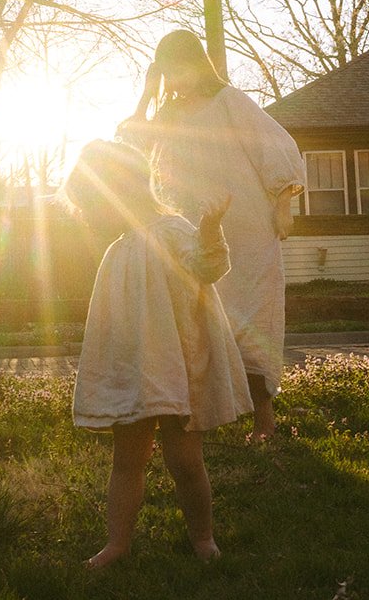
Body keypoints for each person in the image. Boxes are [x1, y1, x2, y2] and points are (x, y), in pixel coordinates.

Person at [64, 139, 251, 568]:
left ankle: (203, 538)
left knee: (184, 460)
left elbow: (209, 267)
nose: (90, 217)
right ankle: (118, 544)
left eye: (91, 205)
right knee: (126, 460)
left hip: (176, 365)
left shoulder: (172, 231)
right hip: (133, 371)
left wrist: (209, 227)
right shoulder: (119, 247)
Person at [120, 30, 305, 439]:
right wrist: (148, 94)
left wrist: (283, 202)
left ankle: (264, 421)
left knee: (252, 319)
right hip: (193, 232)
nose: (175, 78)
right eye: (167, 72)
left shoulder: (230, 101)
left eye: (179, 69)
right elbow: (130, 144)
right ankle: (196, 419)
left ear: (197, 64)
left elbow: (275, 144)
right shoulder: (168, 115)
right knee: (197, 318)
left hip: (247, 230)